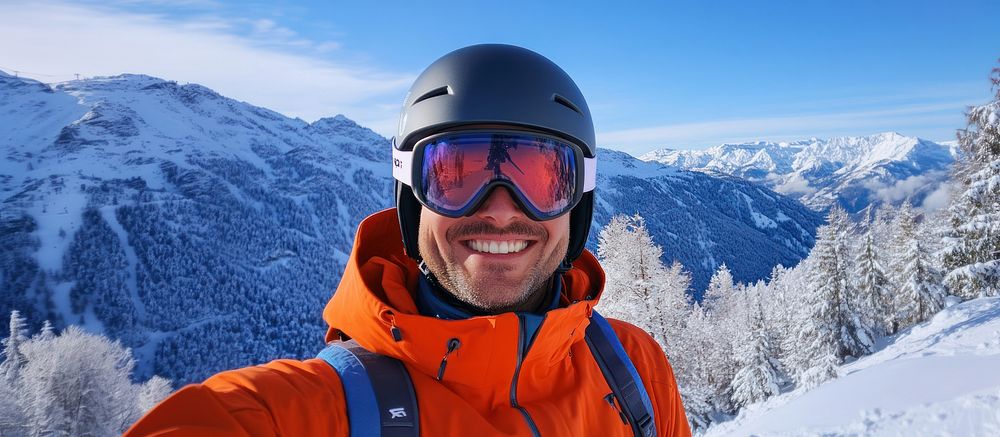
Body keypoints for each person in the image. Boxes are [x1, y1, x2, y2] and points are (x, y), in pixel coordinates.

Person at [127, 44, 690, 436]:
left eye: (541, 178)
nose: (499, 210)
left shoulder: (635, 369)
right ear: (410, 197)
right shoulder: (323, 411)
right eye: (456, 175)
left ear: (579, 204)